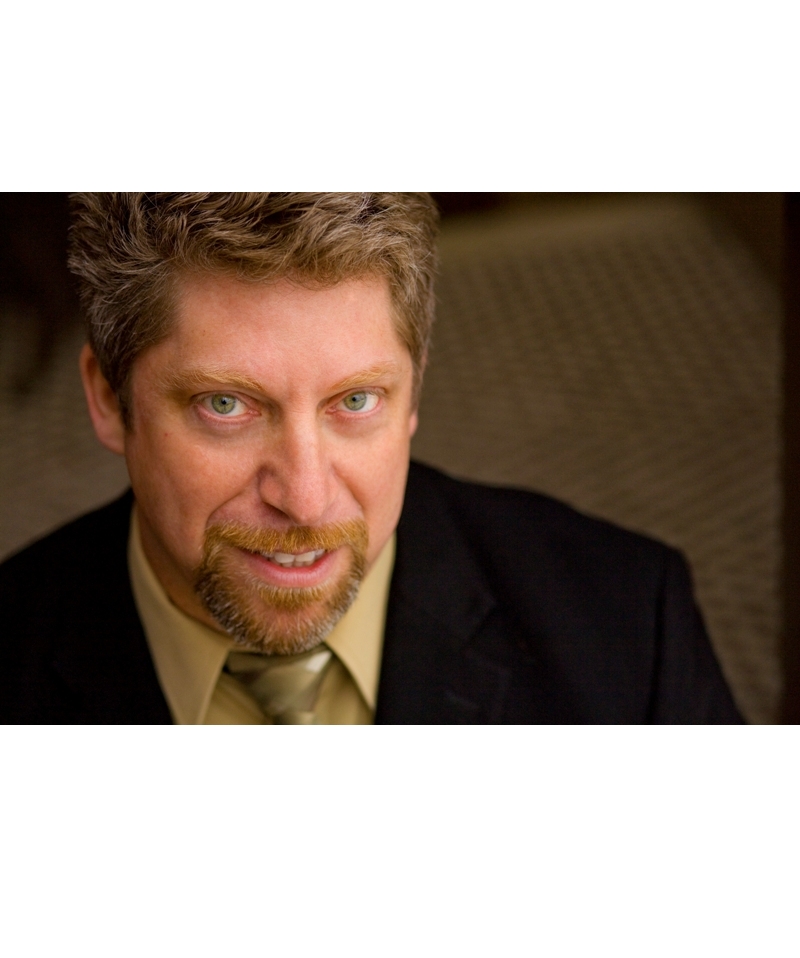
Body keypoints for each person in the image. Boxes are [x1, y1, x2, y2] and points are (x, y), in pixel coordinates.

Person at [0, 193, 743, 723]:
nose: (305, 497)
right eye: (225, 405)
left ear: (413, 392)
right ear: (108, 399)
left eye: (355, 401)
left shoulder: (632, 626)